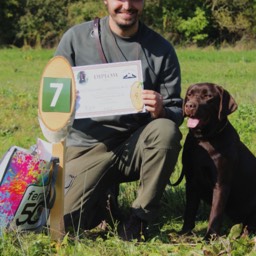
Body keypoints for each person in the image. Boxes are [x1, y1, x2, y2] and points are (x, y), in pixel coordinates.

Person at [54, 0, 183, 241]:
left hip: (132, 145)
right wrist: (67, 99)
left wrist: (162, 109)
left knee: (165, 130)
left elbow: (176, 109)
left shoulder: (161, 49)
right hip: (86, 146)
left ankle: (139, 219)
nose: (127, 5)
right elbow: (51, 97)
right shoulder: (76, 38)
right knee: (62, 225)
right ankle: (103, 201)